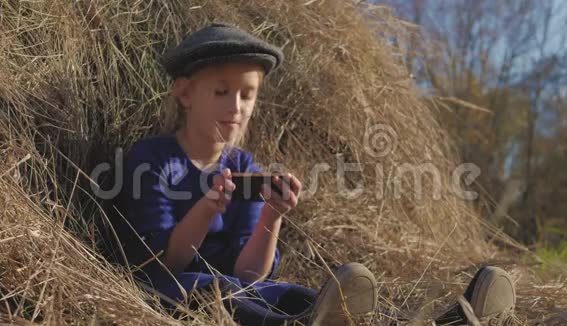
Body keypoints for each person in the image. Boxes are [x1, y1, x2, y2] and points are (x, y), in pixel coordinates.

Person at [115, 22, 516, 325]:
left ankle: (438, 320)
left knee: (292, 291)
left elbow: (249, 273)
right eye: (221, 92)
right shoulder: (153, 159)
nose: (236, 106)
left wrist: (272, 216)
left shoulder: (241, 166)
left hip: (243, 289)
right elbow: (161, 262)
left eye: (247, 94)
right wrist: (205, 210)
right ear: (185, 93)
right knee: (216, 290)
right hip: (176, 289)